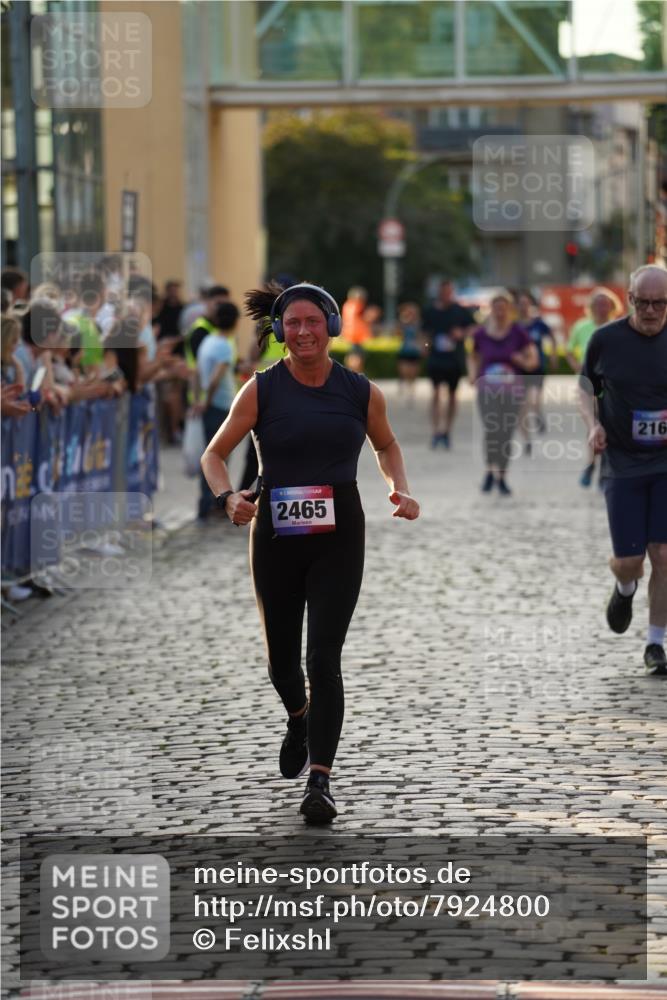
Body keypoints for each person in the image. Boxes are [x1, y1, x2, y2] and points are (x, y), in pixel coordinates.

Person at [201, 281, 420, 824]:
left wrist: (398, 484)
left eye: (312, 322)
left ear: (331, 327)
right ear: (279, 331)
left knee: (323, 657)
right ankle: (298, 717)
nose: (302, 333)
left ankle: (320, 781)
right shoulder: (260, 390)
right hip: (275, 535)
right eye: (291, 324)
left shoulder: (359, 390)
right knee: (282, 664)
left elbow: (386, 443)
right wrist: (228, 497)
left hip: (340, 534)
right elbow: (214, 454)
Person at [579, 264, 667, 676]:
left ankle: (655, 644)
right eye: (642, 302)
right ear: (629, 299)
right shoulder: (605, 340)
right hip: (622, 463)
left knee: (664, 556)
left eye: (659, 303)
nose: (651, 311)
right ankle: (625, 586)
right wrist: (593, 424)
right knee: (630, 560)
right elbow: (585, 386)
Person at [468, 291, 539, 495]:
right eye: (496, 307)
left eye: (504, 308)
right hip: (487, 390)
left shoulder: (518, 332)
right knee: (491, 431)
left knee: (505, 433)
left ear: (509, 310)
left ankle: (502, 476)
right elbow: (473, 356)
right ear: (491, 309)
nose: (500, 312)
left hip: (512, 390)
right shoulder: (480, 334)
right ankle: (490, 470)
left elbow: (532, 360)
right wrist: (472, 374)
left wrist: (521, 361)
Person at [567, 287, 623, 487]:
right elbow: (569, 351)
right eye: (598, 304)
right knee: (595, 425)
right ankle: (592, 465)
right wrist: (578, 367)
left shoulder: (620, 327)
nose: (602, 308)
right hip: (589, 384)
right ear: (591, 307)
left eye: (605, 304)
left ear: (613, 306)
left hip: (613, 385)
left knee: (609, 427)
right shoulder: (582, 327)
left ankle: (599, 469)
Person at [196, 301, 240, 522]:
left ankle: (205, 505)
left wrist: (198, 399)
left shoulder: (207, 341)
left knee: (209, 454)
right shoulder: (225, 345)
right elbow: (216, 377)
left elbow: (197, 372)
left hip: (210, 405)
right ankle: (213, 504)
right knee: (218, 458)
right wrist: (207, 400)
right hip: (220, 405)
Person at [422, 279, 476, 449]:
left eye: (448, 291)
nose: (446, 294)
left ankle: (447, 430)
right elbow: (424, 335)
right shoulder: (430, 311)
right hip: (436, 358)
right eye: (443, 291)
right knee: (436, 393)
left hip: (454, 358)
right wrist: (425, 347)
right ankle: (436, 430)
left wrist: (462, 333)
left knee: (453, 395)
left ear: (451, 292)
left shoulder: (460, 311)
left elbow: (474, 328)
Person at [516, 290, 557, 452]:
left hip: (536, 368)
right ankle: (527, 440)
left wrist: (553, 355)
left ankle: (538, 414)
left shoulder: (538, 323)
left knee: (533, 401)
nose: (523, 307)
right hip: (518, 369)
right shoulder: (514, 326)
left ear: (530, 305)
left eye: (526, 304)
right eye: (520, 304)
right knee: (521, 406)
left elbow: (551, 336)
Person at [396, 302, 424, 405]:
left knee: (413, 374)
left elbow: (422, 337)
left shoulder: (419, 324)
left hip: (414, 352)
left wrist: (423, 347)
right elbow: (398, 333)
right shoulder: (403, 323)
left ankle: (411, 393)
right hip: (404, 350)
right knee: (404, 372)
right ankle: (403, 385)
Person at [340, 286, 372, 373]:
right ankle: (355, 373)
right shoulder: (357, 305)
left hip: (349, 334)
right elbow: (364, 317)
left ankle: (351, 372)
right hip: (357, 336)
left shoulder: (347, 305)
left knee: (352, 354)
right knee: (357, 356)